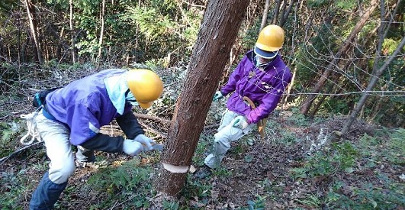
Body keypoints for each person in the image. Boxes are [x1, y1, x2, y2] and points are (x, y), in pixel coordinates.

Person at [27, 68, 164, 209]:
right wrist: (122, 145)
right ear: (127, 90)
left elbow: (124, 109)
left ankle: (84, 160)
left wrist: (136, 134)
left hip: (78, 115)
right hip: (54, 120)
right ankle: (38, 207)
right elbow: (85, 138)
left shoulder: (125, 82)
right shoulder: (88, 99)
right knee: (63, 169)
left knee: (89, 131)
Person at [202, 25, 292, 172]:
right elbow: (236, 75)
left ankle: (211, 166)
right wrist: (224, 91)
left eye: (266, 54)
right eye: (261, 52)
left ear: (277, 50)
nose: (261, 57)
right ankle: (220, 153)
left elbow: (268, 104)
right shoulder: (251, 57)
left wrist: (247, 120)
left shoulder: (281, 73)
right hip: (235, 103)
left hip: (250, 110)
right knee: (220, 133)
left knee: (220, 138)